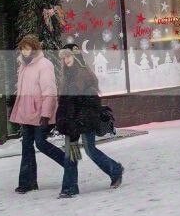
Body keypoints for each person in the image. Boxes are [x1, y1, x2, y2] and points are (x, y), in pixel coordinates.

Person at [54, 43, 123, 197]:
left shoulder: (85, 74)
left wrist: (80, 119)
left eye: (68, 56)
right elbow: (64, 102)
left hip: (85, 120)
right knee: (71, 153)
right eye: (64, 57)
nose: (66, 60)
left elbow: (92, 102)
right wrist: (63, 119)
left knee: (90, 150)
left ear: (76, 56)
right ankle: (70, 187)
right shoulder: (66, 76)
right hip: (71, 121)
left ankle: (115, 170)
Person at [9, 35, 65, 194]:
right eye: (22, 48)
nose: (24, 51)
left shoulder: (44, 65)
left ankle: (68, 162)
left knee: (40, 143)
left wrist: (46, 115)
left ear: (34, 48)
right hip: (26, 114)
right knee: (26, 146)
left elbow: (50, 91)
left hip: (40, 113)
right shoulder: (23, 65)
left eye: (27, 48)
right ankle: (27, 183)